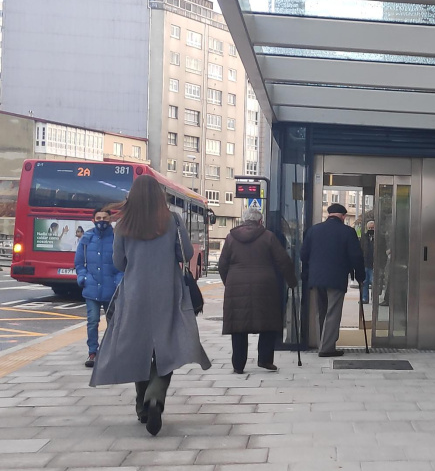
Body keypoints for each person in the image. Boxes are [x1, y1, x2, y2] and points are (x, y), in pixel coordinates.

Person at [90, 175, 211, 436]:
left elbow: (120, 264)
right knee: (167, 347)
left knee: (139, 348)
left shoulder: (122, 225)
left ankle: (142, 406)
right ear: (159, 195)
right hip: (168, 293)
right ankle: (155, 396)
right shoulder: (172, 221)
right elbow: (187, 254)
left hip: (134, 296)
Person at [218, 209, 297, 374]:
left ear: (243, 220)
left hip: (236, 282)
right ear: (260, 222)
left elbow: (222, 264)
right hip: (265, 283)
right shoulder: (268, 237)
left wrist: (229, 282)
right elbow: (283, 261)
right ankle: (265, 359)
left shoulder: (231, 237)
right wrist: (292, 281)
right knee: (269, 321)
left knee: (239, 326)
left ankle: (238, 364)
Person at [301, 203, 366, 357]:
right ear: (343, 216)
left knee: (321, 312)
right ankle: (326, 348)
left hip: (316, 278)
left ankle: (322, 343)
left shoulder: (313, 230)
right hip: (336, 278)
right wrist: (360, 276)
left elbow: (303, 255)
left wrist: (308, 273)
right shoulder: (347, 232)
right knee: (333, 313)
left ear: (329, 214)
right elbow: (356, 257)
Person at [74, 209, 122, 368]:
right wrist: (83, 278)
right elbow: (79, 263)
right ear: (93, 219)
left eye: (105, 218)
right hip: (91, 288)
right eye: (98, 218)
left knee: (113, 323)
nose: (102, 221)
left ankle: (112, 352)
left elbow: (123, 264)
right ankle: (92, 352)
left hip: (112, 290)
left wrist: (119, 281)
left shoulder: (117, 239)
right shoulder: (86, 239)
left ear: (110, 220)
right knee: (92, 321)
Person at [360, 220, 375, 304]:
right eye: (369, 228)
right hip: (365, 263)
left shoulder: (379, 237)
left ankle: (374, 298)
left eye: (372, 228)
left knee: (374, 282)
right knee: (365, 282)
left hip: (374, 263)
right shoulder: (364, 237)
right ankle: (365, 298)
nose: (371, 229)